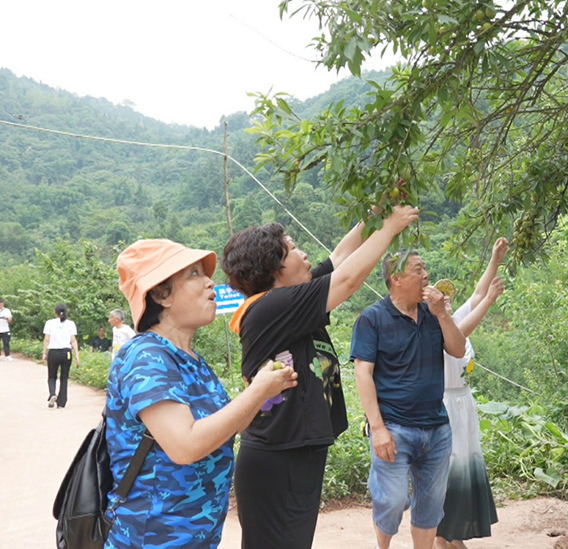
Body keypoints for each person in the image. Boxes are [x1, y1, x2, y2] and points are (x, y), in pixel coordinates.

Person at [220, 205, 420, 549]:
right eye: (294, 248)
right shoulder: (269, 308)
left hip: (297, 449)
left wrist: (371, 218)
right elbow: (347, 279)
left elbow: (341, 257)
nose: (304, 253)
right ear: (275, 267)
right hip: (278, 454)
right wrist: (388, 228)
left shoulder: (290, 298)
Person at [105, 238, 297, 549]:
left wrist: (260, 393)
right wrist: (256, 392)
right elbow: (185, 445)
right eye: (194, 274)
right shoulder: (146, 356)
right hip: (152, 538)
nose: (211, 283)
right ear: (160, 294)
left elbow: (224, 428)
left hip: (195, 537)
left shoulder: (190, 358)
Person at [351, 250, 467, 549]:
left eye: (425, 268)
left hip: (437, 428)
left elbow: (457, 349)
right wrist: (377, 429)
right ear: (397, 278)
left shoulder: (432, 315)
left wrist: (443, 314)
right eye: (419, 269)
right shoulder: (372, 319)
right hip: (394, 427)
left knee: (430, 507)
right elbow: (362, 375)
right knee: (391, 500)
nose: (426, 275)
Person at [435, 239, 507, 549]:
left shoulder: (453, 319)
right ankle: (444, 537)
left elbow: (477, 294)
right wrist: (489, 302)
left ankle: (450, 536)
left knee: (464, 471)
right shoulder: (439, 330)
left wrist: (494, 259)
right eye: (441, 301)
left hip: (463, 405)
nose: (448, 302)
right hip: (445, 407)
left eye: (448, 299)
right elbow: (462, 333)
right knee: (449, 474)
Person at [43, 303, 80, 408]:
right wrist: (77, 355)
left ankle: (52, 394)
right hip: (66, 353)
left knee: (52, 376)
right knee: (64, 378)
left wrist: (44, 352)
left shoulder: (49, 323)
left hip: (53, 352)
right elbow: (73, 340)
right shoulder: (71, 324)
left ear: (55, 312)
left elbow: (46, 339)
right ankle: (61, 403)